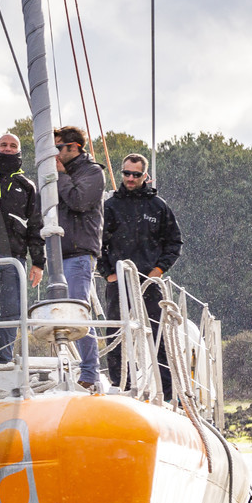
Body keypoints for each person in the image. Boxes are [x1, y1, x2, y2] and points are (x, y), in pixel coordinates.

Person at [99, 153, 183, 397]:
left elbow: (174, 242)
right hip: (119, 281)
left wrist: (157, 272)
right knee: (116, 333)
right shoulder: (110, 206)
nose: (131, 178)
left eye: (136, 174)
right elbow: (97, 243)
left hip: (149, 282)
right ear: (122, 173)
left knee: (158, 336)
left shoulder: (158, 206)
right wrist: (108, 274)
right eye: (126, 173)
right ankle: (122, 384)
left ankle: (168, 392)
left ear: (145, 176)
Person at [55, 125, 108, 390]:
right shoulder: (55, 174)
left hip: (79, 252)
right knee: (58, 314)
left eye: (58, 148)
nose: (54, 154)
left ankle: (90, 371)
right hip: (57, 253)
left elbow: (79, 201)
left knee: (78, 311)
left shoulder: (93, 172)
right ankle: (67, 366)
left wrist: (62, 176)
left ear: (73, 148)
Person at [0, 133, 45, 362]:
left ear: (18, 151)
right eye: (3, 144)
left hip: (16, 258)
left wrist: (38, 263)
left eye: (12, 145)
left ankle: (3, 357)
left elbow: (36, 226)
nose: (8, 148)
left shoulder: (27, 186)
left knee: (12, 311)